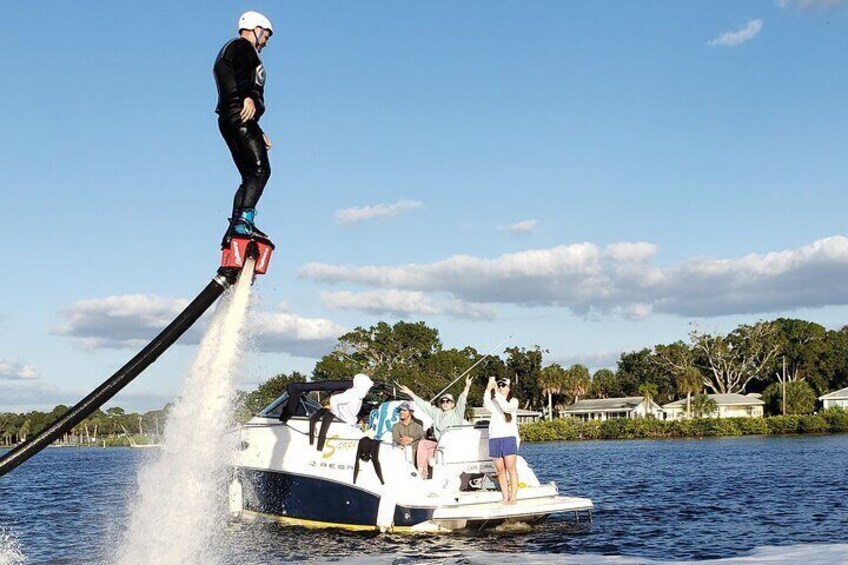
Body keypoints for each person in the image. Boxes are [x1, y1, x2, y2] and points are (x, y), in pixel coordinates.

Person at [214, 11, 274, 246]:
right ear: (255, 28)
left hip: (232, 119)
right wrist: (249, 96)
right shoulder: (241, 47)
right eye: (266, 35)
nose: (266, 41)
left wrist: (257, 130)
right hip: (238, 115)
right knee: (260, 171)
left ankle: (233, 232)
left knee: (248, 175)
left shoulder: (231, 50)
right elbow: (240, 77)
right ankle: (243, 223)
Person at [398, 375, 473, 478]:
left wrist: (467, 387)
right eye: (443, 401)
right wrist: (410, 393)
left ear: (453, 404)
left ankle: (430, 473)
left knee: (431, 455)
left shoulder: (457, 413)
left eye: (448, 401)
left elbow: (462, 400)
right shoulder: (437, 413)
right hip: (440, 444)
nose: (445, 403)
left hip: (453, 446)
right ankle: (421, 474)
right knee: (423, 444)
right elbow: (423, 405)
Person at [483, 376, 520, 505]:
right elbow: (486, 403)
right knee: (500, 470)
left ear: (509, 388)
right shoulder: (494, 401)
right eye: (499, 385)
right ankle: (505, 497)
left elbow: (506, 408)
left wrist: (497, 394)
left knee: (511, 468)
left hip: (508, 438)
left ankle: (513, 497)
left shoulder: (513, 401)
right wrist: (488, 388)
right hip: (495, 438)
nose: (500, 388)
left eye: (503, 385)